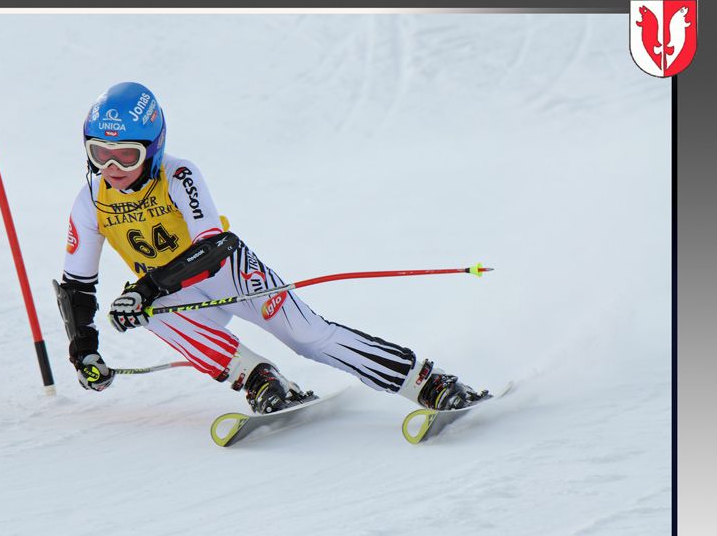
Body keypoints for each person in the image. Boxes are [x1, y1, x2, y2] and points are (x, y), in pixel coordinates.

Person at [56, 82, 484, 415]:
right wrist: (85, 350)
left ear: (153, 149)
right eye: (100, 154)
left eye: (126, 156)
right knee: (142, 310)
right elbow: (77, 285)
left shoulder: (179, 175)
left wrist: (147, 288)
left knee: (308, 337)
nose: (112, 168)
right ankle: (258, 379)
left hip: (230, 273)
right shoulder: (90, 202)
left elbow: (214, 246)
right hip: (173, 292)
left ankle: (425, 381)